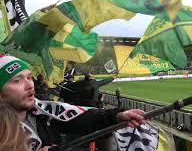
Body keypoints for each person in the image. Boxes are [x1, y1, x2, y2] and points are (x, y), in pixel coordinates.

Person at [0, 55, 146, 151]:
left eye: (30, 77)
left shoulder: (42, 111)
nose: (30, 85)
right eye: (17, 80)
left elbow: (79, 116)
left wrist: (116, 115)